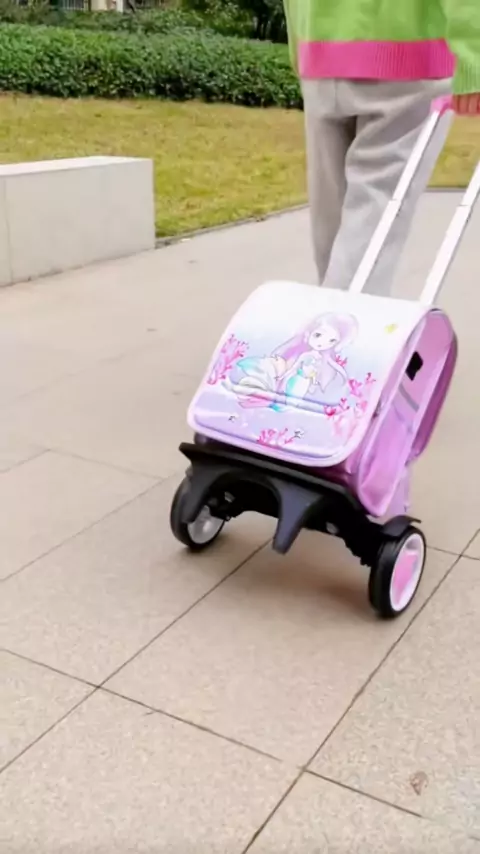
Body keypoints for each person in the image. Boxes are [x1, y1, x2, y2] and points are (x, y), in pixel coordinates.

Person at [283, 0, 480, 295]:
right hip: (409, 54)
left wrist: (300, 47)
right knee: (374, 218)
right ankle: (344, 318)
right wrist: (474, 58)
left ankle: (330, 313)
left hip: (319, 49)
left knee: (333, 220)